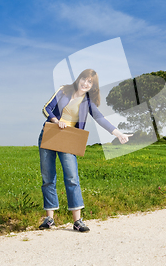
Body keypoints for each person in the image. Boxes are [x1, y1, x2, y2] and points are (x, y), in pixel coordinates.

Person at [37, 68, 131, 232]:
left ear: (93, 86)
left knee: (72, 177)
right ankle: (49, 218)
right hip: (50, 134)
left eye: (90, 82)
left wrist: (118, 133)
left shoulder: (88, 102)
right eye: (84, 79)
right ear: (79, 79)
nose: (86, 83)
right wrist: (56, 120)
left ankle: (77, 221)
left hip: (68, 139)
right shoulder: (63, 90)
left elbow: (100, 118)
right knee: (48, 177)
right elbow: (46, 108)